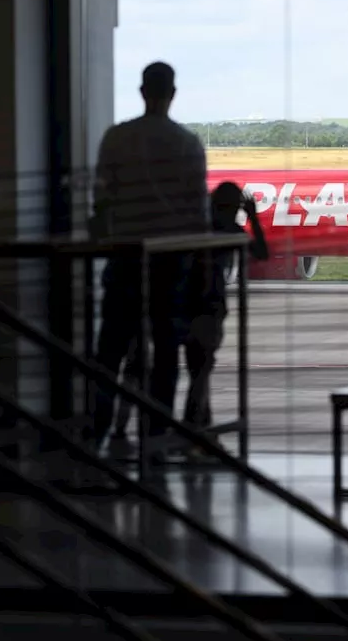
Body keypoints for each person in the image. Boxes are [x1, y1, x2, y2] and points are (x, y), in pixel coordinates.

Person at [88, 61, 209, 458]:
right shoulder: (188, 144)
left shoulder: (117, 139)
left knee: (111, 351)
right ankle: (155, 434)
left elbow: (101, 202)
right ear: (173, 94)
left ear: (141, 91)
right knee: (165, 353)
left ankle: (97, 431)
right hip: (169, 265)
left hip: (124, 259)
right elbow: (198, 216)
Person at [181, 181, 268, 434]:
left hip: (186, 305)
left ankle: (200, 426)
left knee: (198, 369)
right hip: (210, 307)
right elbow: (261, 252)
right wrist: (253, 217)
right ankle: (193, 428)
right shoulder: (231, 230)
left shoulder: (199, 227)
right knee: (201, 370)